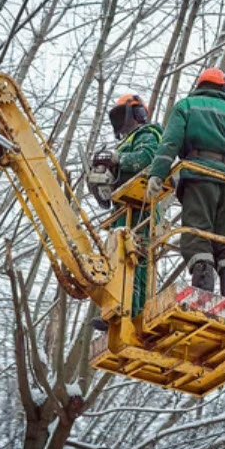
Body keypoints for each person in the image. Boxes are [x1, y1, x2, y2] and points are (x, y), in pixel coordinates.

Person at [145, 68, 225, 298]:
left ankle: (203, 290)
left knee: (198, 233)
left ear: (201, 85)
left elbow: (170, 143)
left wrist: (157, 174)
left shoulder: (186, 106)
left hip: (198, 177)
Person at [88, 93, 162, 325]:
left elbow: (148, 158)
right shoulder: (124, 142)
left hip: (142, 206)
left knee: (135, 257)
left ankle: (135, 311)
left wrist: (118, 158)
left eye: (124, 115)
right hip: (123, 209)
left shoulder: (149, 134)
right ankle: (118, 308)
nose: (121, 123)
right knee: (117, 259)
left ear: (138, 114)